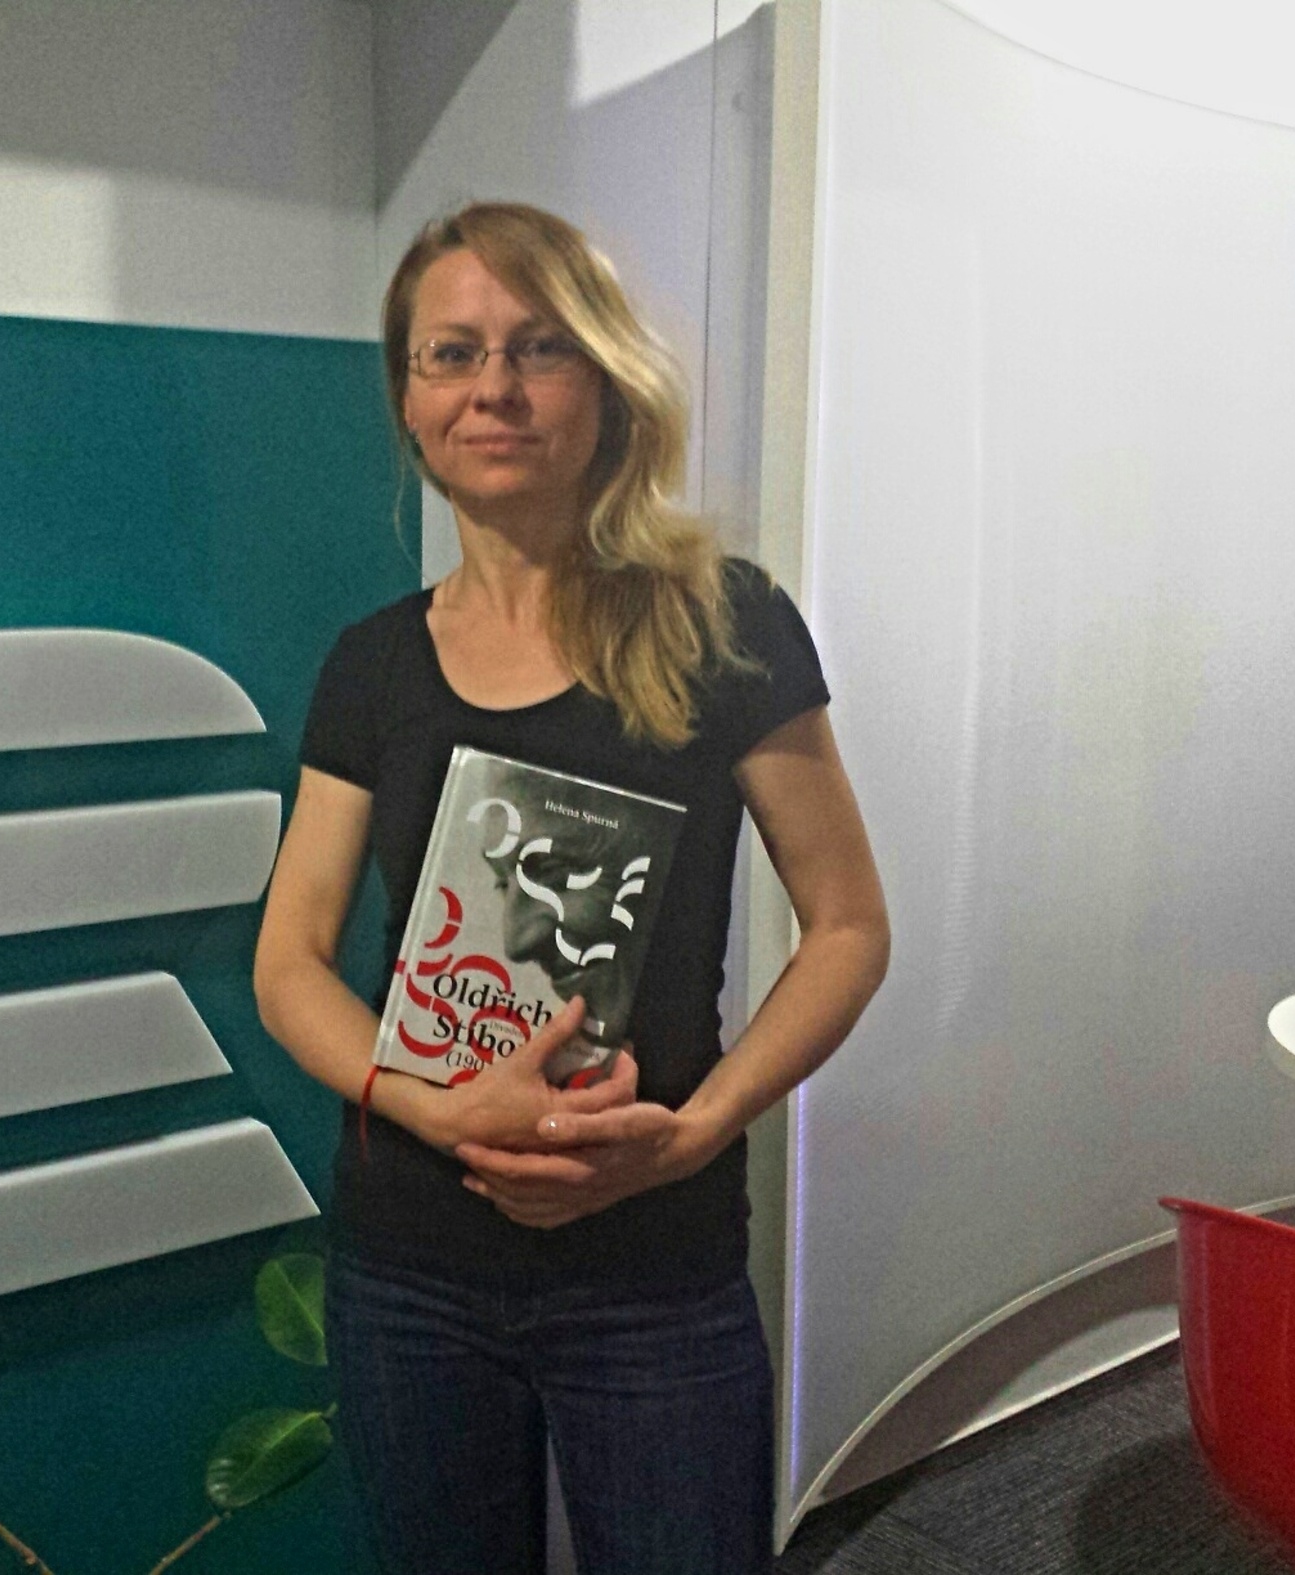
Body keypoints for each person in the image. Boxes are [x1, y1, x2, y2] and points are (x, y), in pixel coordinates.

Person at [252, 200, 889, 1574]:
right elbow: (289, 961)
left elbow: (847, 929)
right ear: (410, 401)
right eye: (452, 353)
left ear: (605, 383)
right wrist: (428, 1102)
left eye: (538, 347)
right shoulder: (371, 664)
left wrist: (698, 1131)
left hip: (652, 1272)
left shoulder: (724, 623)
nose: (494, 387)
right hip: (409, 1272)